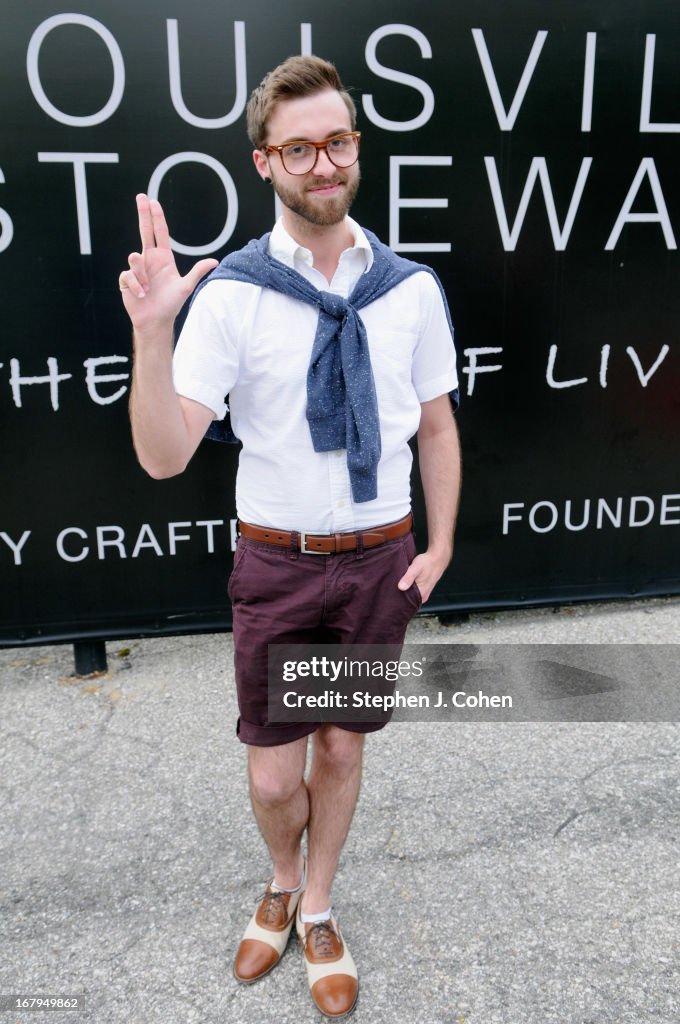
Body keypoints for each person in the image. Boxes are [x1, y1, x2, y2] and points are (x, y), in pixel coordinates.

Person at [119, 54, 460, 1019]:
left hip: (379, 561)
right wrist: (153, 333)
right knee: (277, 774)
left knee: (343, 755)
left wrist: (436, 548)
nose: (324, 163)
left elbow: (435, 425)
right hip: (277, 567)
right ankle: (278, 874)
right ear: (266, 163)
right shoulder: (229, 294)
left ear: (357, 148)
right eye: (299, 148)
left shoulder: (409, 291)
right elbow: (163, 455)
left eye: (338, 142)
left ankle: (317, 906)